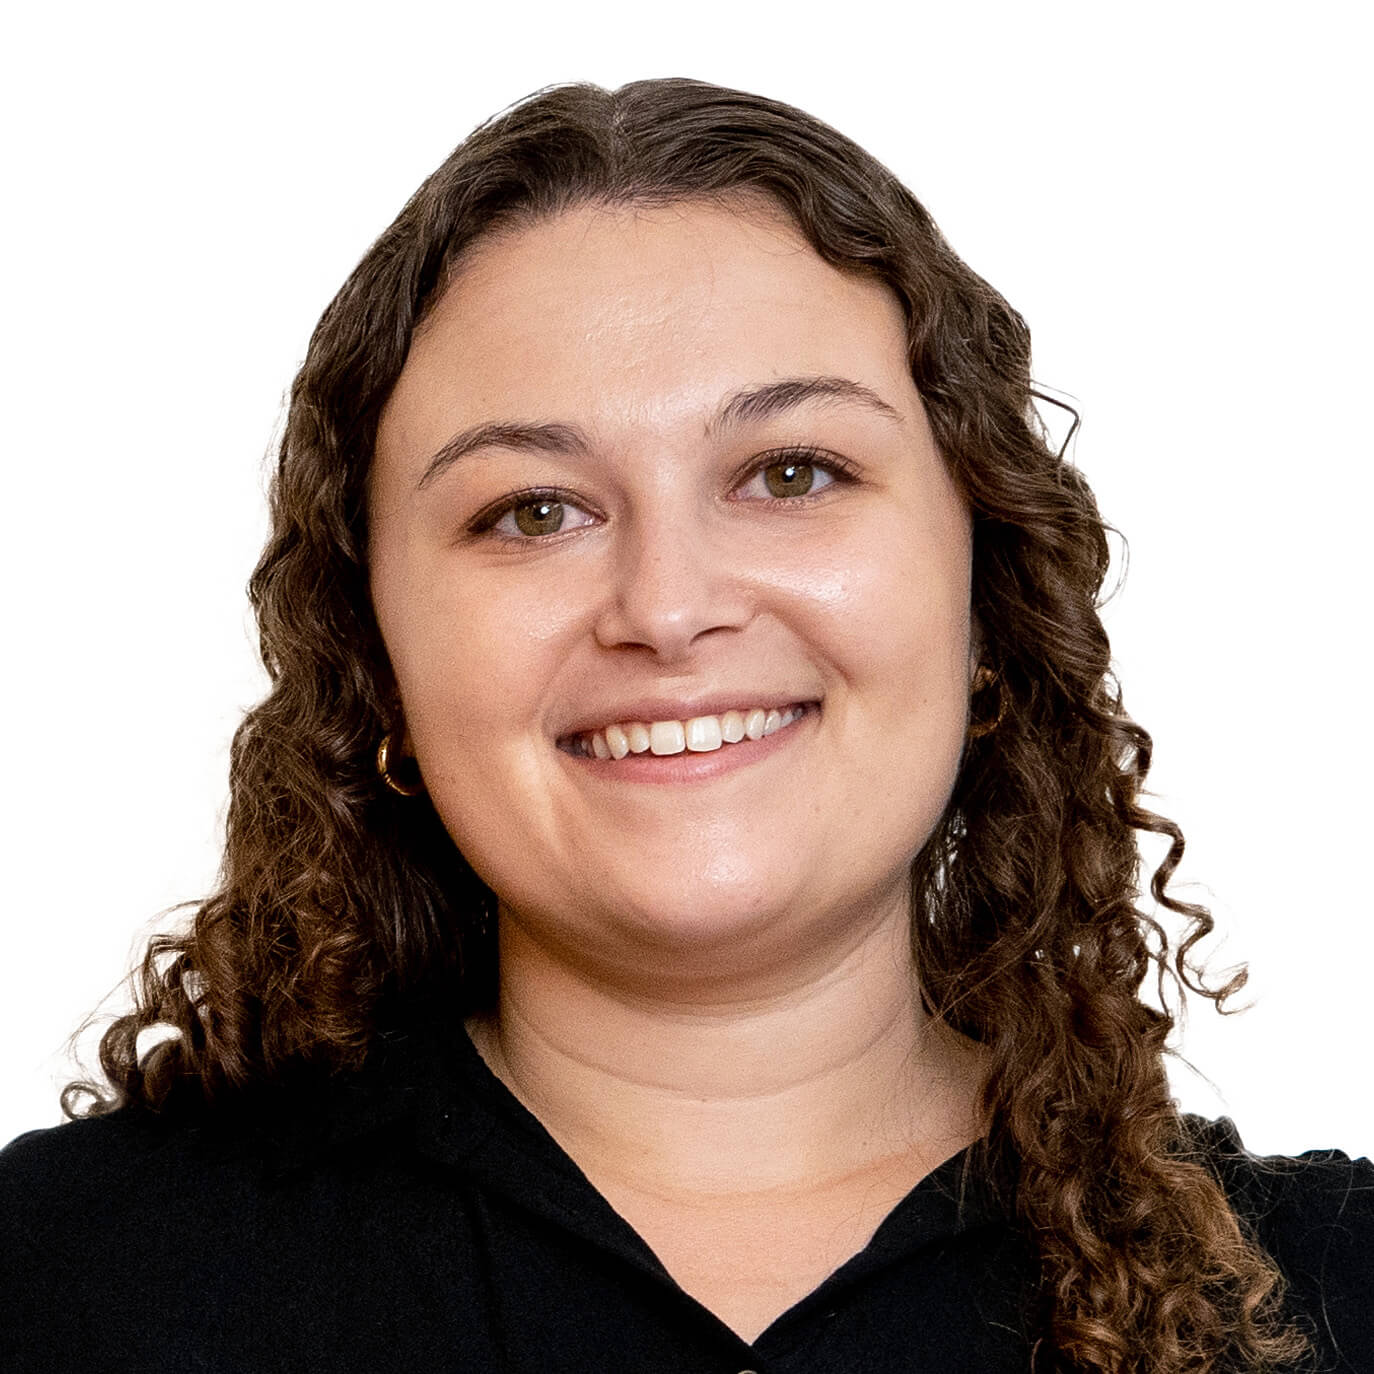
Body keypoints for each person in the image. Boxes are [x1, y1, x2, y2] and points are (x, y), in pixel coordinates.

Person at [2, 77, 1369, 1374]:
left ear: (986, 606)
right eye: (532, 510)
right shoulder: (61, 1282)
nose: (664, 606)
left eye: (790, 472)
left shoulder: (1334, 1299)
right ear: (376, 669)